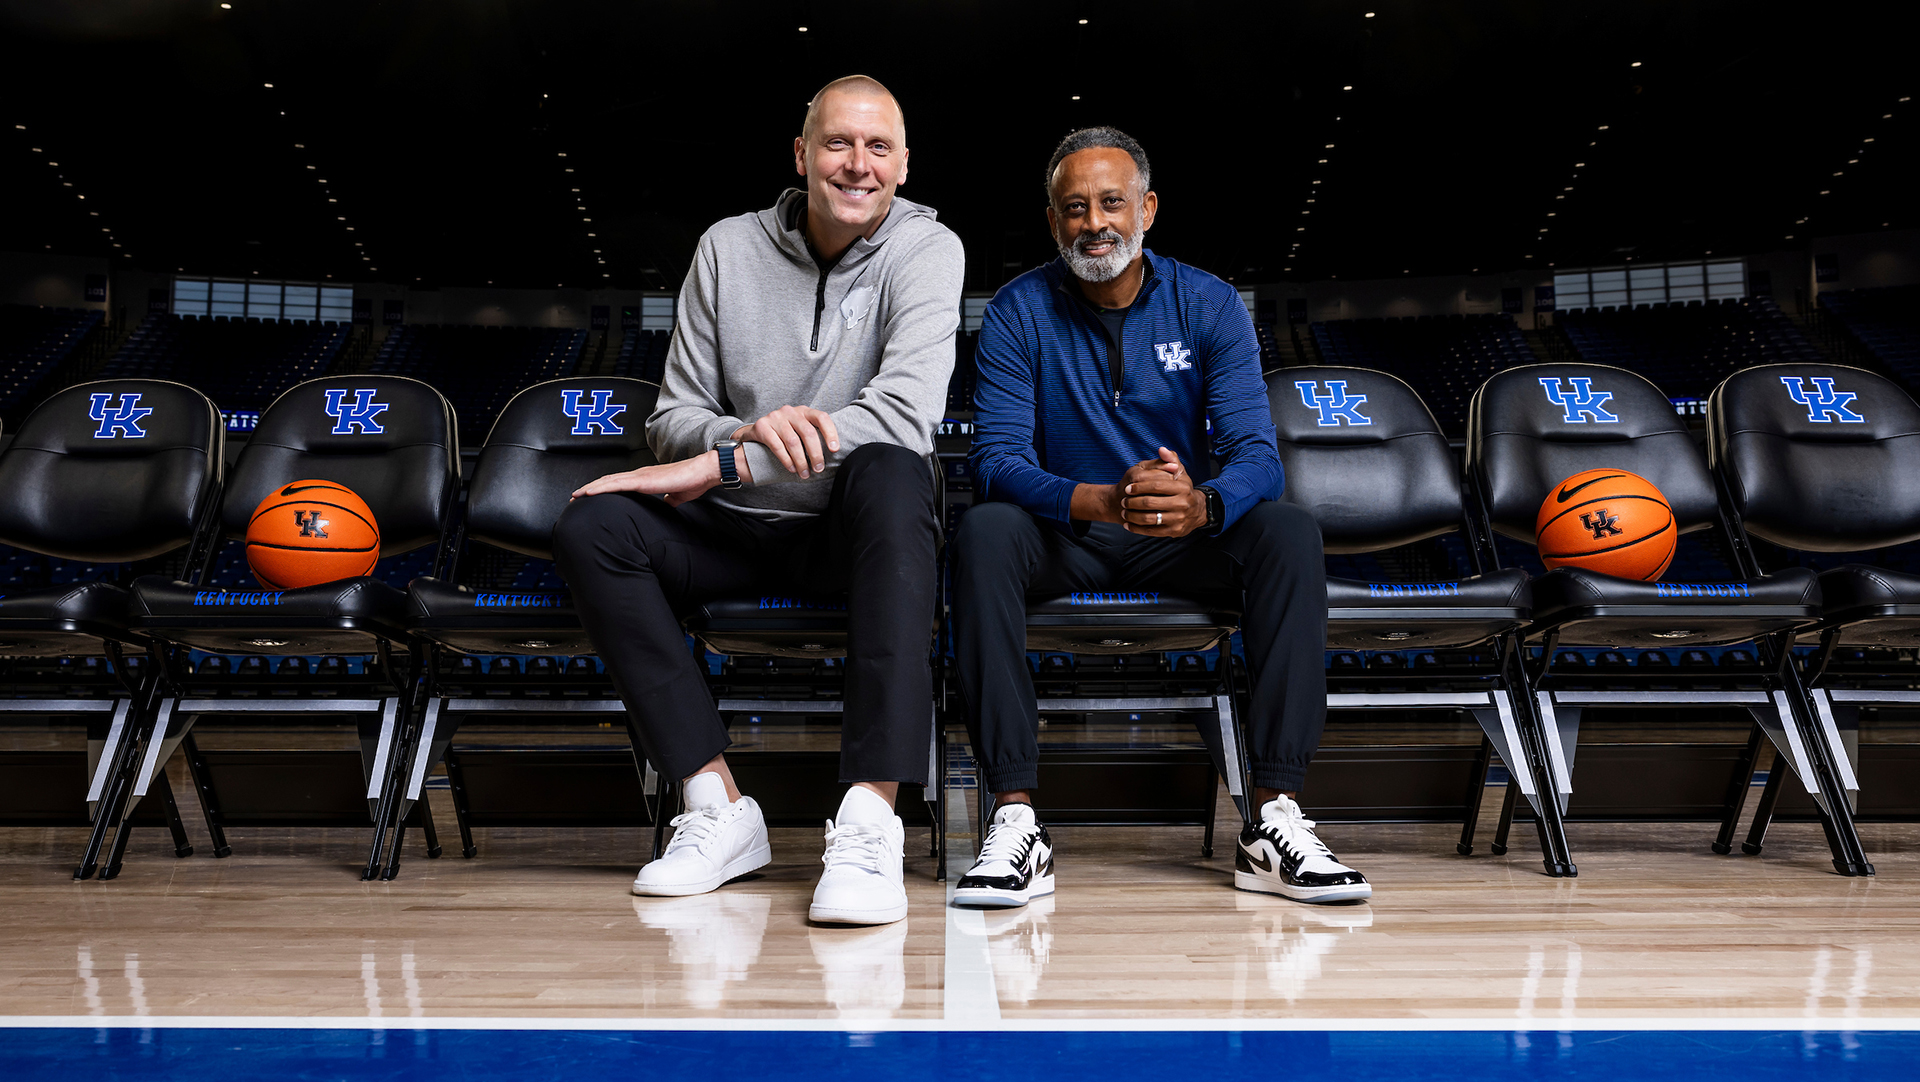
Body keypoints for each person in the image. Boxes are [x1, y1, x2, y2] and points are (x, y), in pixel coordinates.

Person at [553, 75, 963, 926]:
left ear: (904, 163)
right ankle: (716, 807)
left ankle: (869, 818)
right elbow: (672, 419)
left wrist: (726, 463)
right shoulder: (727, 249)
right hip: (732, 536)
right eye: (838, 143)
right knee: (594, 524)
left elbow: (903, 415)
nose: (858, 165)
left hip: (850, 531)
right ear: (802, 154)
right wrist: (740, 441)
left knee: (895, 470)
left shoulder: (930, 251)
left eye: (878, 147)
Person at [950, 126, 1369, 909]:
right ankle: (1014, 817)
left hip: (1177, 539)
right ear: (1053, 223)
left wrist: (1204, 504)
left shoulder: (1207, 302)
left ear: (1147, 209)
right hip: (1064, 537)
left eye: (1111, 202)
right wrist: (1101, 499)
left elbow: (1258, 456)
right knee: (982, 530)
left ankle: (1273, 814)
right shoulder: (1015, 312)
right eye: (1073, 208)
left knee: (1286, 531)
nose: (1093, 223)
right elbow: (996, 460)